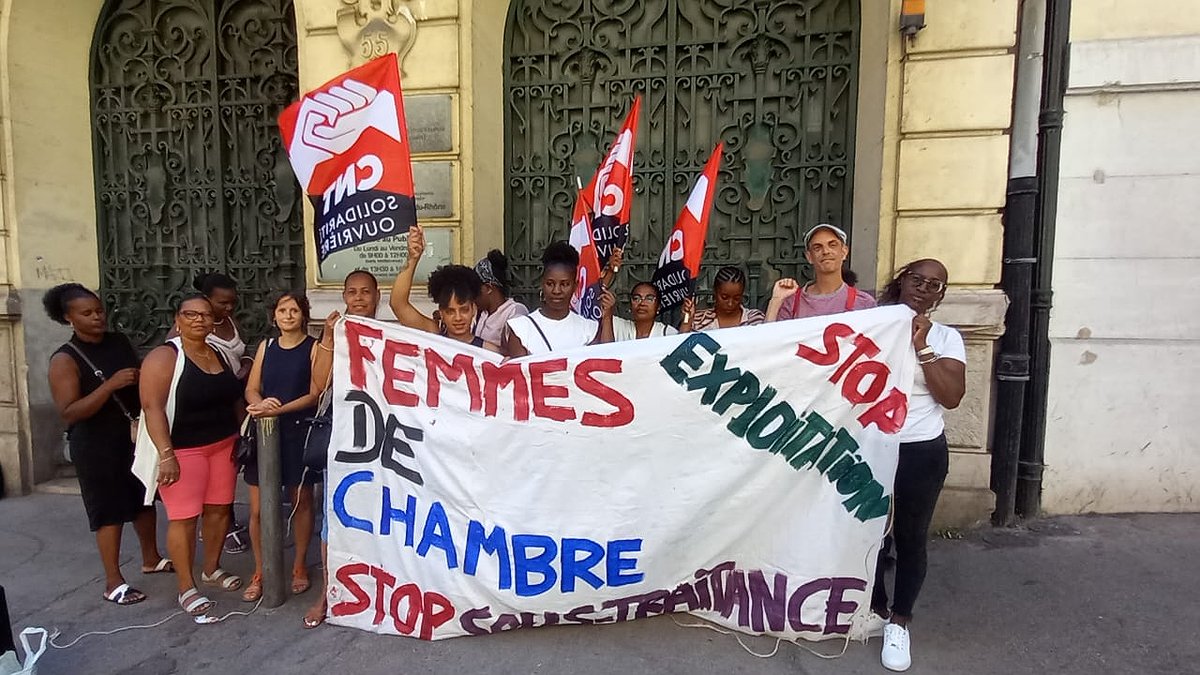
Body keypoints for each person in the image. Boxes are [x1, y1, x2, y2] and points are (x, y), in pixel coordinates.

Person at [44, 284, 169, 606]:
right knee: (108, 511)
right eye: (87, 313)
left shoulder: (117, 341)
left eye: (98, 310)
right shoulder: (65, 359)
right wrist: (110, 385)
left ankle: (151, 558)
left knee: (143, 498)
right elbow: (70, 411)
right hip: (95, 444)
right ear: (68, 318)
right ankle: (113, 580)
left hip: (129, 435)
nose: (97, 317)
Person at [869, 259, 966, 672]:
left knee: (910, 536)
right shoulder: (871, 324)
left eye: (934, 285)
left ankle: (899, 620)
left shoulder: (946, 337)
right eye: (917, 279)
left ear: (940, 295)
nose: (923, 288)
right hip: (870, 446)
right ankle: (872, 608)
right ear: (902, 280)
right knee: (869, 533)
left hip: (919, 450)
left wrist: (922, 346)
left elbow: (952, 396)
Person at [140, 295, 245, 617]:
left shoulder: (218, 353)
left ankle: (211, 568)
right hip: (184, 449)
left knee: (217, 511)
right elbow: (152, 407)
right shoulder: (164, 356)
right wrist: (166, 454)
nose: (199, 320)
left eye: (205, 315)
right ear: (178, 318)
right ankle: (186, 586)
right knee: (184, 518)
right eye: (191, 314)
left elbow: (232, 398)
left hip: (222, 444)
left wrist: (242, 435)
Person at [304, 270, 380, 629]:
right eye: (353, 292)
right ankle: (328, 591)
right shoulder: (335, 334)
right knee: (334, 517)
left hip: (384, 440)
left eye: (366, 291)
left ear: (377, 296)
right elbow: (318, 386)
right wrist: (329, 338)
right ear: (344, 297)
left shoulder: (391, 334)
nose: (360, 298)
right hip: (343, 439)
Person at [240, 291, 320, 602]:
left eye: (294, 310)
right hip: (265, 433)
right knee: (259, 509)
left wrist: (279, 409)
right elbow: (251, 388)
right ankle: (261, 569)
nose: (288, 315)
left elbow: (313, 394)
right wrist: (260, 406)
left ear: (303, 315)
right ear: (274, 315)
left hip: (297, 431)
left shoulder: (313, 348)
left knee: (301, 501)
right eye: (283, 310)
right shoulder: (266, 347)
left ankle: (299, 564)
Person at [172, 272, 251, 555]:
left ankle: (221, 522)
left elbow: (242, 351)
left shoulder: (230, 322)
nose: (228, 308)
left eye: (232, 302)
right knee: (198, 481)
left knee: (227, 468)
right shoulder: (185, 332)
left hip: (232, 397)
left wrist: (246, 366)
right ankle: (215, 527)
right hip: (201, 407)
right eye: (222, 302)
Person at [390, 225, 499, 351]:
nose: (458, 318)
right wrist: (413, 258)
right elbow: (398, 304)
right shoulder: (433, 337)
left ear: (473, 309)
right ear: (441, 313)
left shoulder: (491, 352)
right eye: (450, 311)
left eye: (464, 310)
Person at [503, 241, 612, 356]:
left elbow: (606, 363)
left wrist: (607, 318)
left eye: (564, 284)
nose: (556, 291)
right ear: (542, 283)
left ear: (575, 286)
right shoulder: (521, 330)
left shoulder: (589, 330)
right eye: (550, 284)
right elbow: (520, 372)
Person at [767, 223, 876, 321]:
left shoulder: (864, 303)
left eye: (832, 245)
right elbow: (773, 341)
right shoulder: (792, 304)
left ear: (844, 252)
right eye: (817, 248)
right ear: (809, 257)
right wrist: (776, 300)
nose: (826, 251)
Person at [680, 266, 765, 332]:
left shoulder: (754, 319)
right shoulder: (699, 320)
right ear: (715, 292)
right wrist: (687, 319)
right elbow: (682, 350)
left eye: (736, 298)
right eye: (724, 297)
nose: (730, 304)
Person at [473, 249, 528, 345]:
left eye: (474, 289)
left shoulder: (514, 311)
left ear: (488, 288)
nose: (472, 295)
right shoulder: (482, 314)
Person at [603, 281, 678, 341]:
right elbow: (605, 352)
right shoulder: (618, 326)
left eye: (649, 299)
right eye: (636, 298)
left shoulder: (667, 333)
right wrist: (607, 314)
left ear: (658, 307)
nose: (642, 303)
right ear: (630, 305)